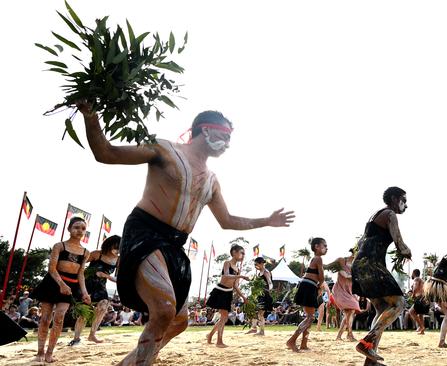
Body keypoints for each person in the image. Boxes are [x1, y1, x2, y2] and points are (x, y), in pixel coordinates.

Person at [78, 104, 295, 365]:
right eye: (225, 137)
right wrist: (90, 115)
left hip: (175, 245)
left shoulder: (212, 180)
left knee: (179, 321)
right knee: (164, 309)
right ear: (206, 130)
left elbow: (226, 221)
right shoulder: (164, 149)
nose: (227, 144)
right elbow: (106, 153)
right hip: (146, 233)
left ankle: (133, 361)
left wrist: (267, 221)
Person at [351, 187, 412, 365]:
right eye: (403, 200)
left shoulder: (374, 215)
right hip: (371, 264)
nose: (406, 205)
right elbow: (400, 243)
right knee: (399, 304)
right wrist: (407, 252)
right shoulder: (389, 214)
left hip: (360, 265)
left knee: (382, 308)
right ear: (394, 199)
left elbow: (361, 242)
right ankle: (367, 342)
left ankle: (370, 361)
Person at [31, 217, 91, 363]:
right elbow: (51, 268)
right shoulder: (60, 246)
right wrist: (61, 284)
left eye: (83, 228)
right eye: (76, 227)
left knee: (59, 318)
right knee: (45, 319)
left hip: (71, 285)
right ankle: (40, 351)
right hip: (52, 283)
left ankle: (49, 353)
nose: (80, 231)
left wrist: (84, 292)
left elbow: (81, 273)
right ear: (69, 229)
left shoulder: (85, 252)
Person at [70, 235, 121, 345]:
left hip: (101, 286)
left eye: (120, 248)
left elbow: (119, 279)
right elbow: (79, 265)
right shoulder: (97, 254)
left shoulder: (118, 260)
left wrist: (105, 275)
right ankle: (76, 338)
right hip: (86, 285)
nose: (118, 251)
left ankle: (92, 334)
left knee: (104, 306)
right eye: (116, 247)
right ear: (109, 245)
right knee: (84, 313)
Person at [286, 237, 327, 352]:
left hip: (308, 285)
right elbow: (322, 277)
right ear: (316, 247)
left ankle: (303, 344)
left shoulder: (315, 259)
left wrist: (319, 285)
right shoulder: (318, 258)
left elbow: (319, 278)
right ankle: (292, 341)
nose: (326, 248)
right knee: (310, 317)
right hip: (309, 286)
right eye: (324, 246)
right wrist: (320, 284)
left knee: (310, 316)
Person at [206, 244, 249, 347]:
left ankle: (210, 335)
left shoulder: (238, 269)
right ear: (234, 252)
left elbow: (235, 285)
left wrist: (243, 297)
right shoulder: (227, 263)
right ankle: (219, 342)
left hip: (228, 293)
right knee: (224, 317)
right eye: (241, 253)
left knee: (224, 318)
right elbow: (226, 275)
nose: (243, 255)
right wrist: (241, 276)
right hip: (220, 291)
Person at [328, 249, 361, 341]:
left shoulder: (357, 264)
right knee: (349, 312)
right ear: (354, 252)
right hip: (340, 290)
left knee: (350, 312)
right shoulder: (342, 261)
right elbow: (346, 276)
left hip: (350, 291)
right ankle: (349, 334)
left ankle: (340, 336)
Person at [250, 256, 274, 336]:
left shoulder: (266, 272)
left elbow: (270, 282)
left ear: (261, 264)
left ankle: (261, 331)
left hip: (265, 295)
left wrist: (270, 289)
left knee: (260, 313)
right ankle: (254, 328)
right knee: (254, 311)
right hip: (260, 295)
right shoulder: (259, 273)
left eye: (256, 264)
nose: (255, 266)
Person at [407, 269, 428, 335]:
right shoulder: (422, 280)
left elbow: (415, 287)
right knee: (420, 314)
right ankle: (422, 331)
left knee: (411, 311)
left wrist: (413, 295)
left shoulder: (416, 279)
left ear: (414, 273)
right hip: (424, 298)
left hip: (419, 297)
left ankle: (421, 326)